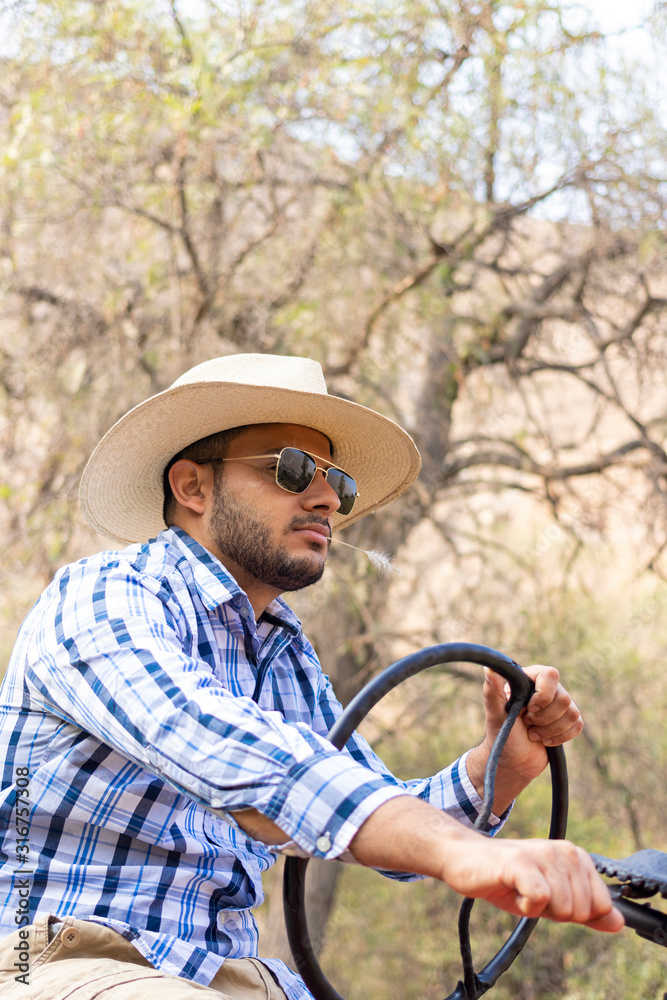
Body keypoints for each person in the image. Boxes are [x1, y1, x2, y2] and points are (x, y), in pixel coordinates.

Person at [0, 353, 622, 1000]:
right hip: (55, 959)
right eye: (291, 469)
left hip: (227, 978)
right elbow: (225, 750)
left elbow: (373, 814)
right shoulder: (103, 596)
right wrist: (462, 854)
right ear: (192, 487)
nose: (326, 498)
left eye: (336, 483)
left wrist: (500, 766)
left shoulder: (282, 652)